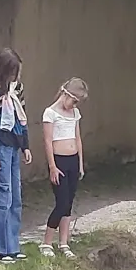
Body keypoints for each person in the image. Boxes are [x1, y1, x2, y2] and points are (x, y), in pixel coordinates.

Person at [0, 48, 32, 262]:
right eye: (12, 72)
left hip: (13, 148)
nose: (15, 77)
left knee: (14, 198)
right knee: (0, 197)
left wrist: (26, 145)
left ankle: (11, 245)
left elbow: (22, 118)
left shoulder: (17, 90)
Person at [40, 78, 89, 259]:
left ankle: (63, 242)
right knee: (61, 203)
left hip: (73, 161)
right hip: (59, 161)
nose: (75, 105)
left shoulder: (75, 113)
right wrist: (52, 166)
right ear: (66, 94)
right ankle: (46, 241)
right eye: (74, 100)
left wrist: (80, 163)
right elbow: (47, 141)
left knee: (68, 203)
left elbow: (78, 138)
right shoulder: (50, 113)